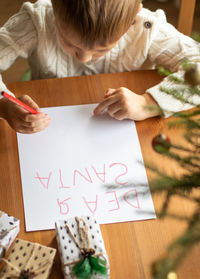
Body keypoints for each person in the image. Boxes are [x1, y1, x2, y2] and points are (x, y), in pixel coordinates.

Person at [0, 0, 199, 133]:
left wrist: (149, 103)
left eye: (102, 49)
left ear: (133, 18)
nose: (84, 58)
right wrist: (3, 106)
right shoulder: (37, 21)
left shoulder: (144, 28)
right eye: (70, 43)